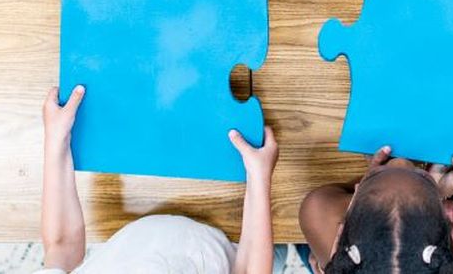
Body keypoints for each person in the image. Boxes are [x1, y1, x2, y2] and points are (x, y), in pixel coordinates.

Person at [36, 85, 280, 273]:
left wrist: (56, 139)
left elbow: (62, 244)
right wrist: (259, 177)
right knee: (278, 251)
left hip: (132, 236)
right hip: (229, 244)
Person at [299, 147, 453, 273]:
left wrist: (379, 175)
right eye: (421, 177)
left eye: (376, 176)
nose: (401, 161)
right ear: (444, 220)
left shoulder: (319, 211)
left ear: (349, 214)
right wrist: (439, 188)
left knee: (304, 251)